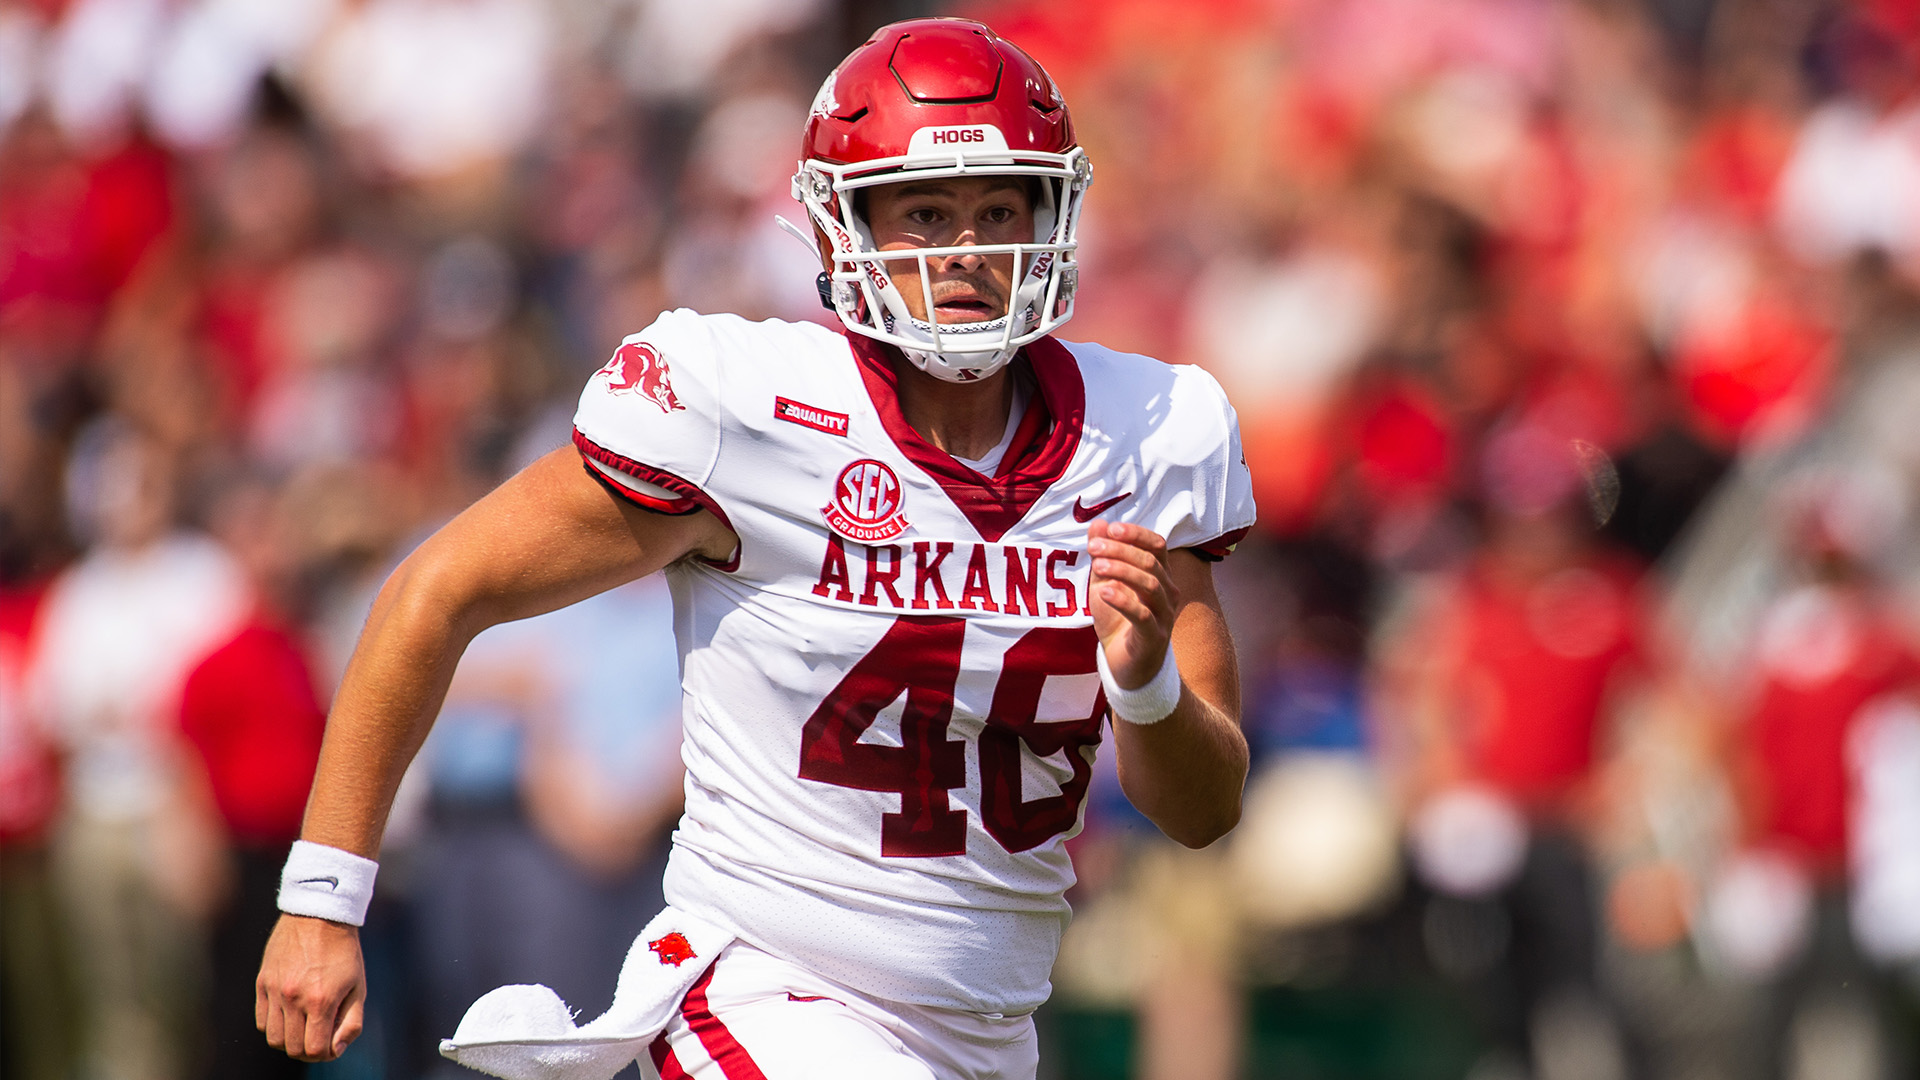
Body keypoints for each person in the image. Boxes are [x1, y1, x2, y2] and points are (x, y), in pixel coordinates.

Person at [256, 18, 1256, 1080]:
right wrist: (323, 895)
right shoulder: (748, 410)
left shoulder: (1147, 433)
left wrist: (1143, 686)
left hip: (987, 1033)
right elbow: (438, 590)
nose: (968, 250)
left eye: (999, 208)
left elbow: (1204, 811)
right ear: (843, 230)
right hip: (766, 991)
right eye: (924, 212)